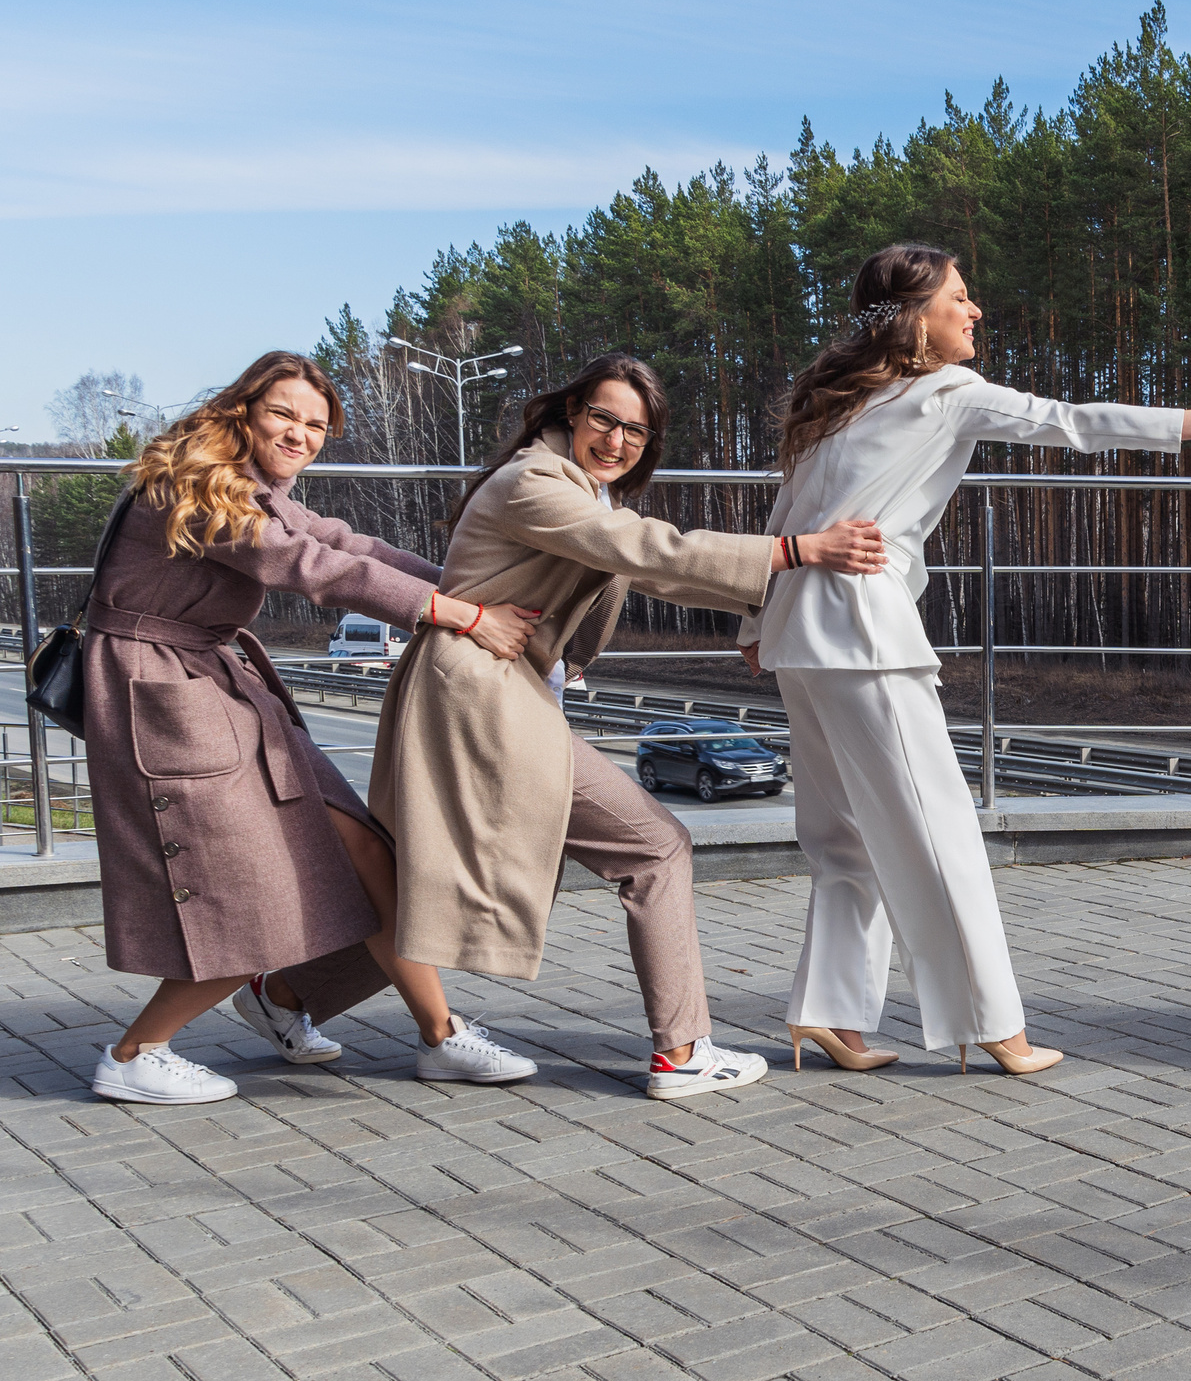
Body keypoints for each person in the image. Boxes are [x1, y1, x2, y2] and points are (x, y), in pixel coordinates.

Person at [744, 242, 1191, 1076]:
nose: (975, 310)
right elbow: (1072, 423)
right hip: (865, 639)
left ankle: (829, 1013)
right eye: (959, 297)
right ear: (914, 317)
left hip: (797, 638)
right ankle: (991, 1025)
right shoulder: (945, 392)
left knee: (842, 836)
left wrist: (754, 623)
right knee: (941, 832)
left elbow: (789, 510)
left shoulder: (839, 402)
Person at [371, 354, 888, 1100]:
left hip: (488, 690)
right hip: (477, 696)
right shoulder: (535, 482)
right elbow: (646, 551)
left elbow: (628, 567)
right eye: (605, 419)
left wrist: (744, 616)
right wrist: (796, 552)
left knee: (413, 870)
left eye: (636, 432)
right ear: (572, 412)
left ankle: (285, 995)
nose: (617, 440)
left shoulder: (581, 488)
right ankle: (681, 1053)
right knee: (654, 845)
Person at [84, 351, 543, 1105]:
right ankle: (135, 1052)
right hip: (162, 691)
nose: (300, 434)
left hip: (219, 683)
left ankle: (439, 1036)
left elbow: (350, 547)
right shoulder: (200, 483)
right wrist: (461, 615)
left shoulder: (261, 485)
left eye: (316, 424)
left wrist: (471, 584)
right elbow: (306, 566)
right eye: (284, 415)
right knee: (258, 892)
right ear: (244, 409)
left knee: (366, 848)